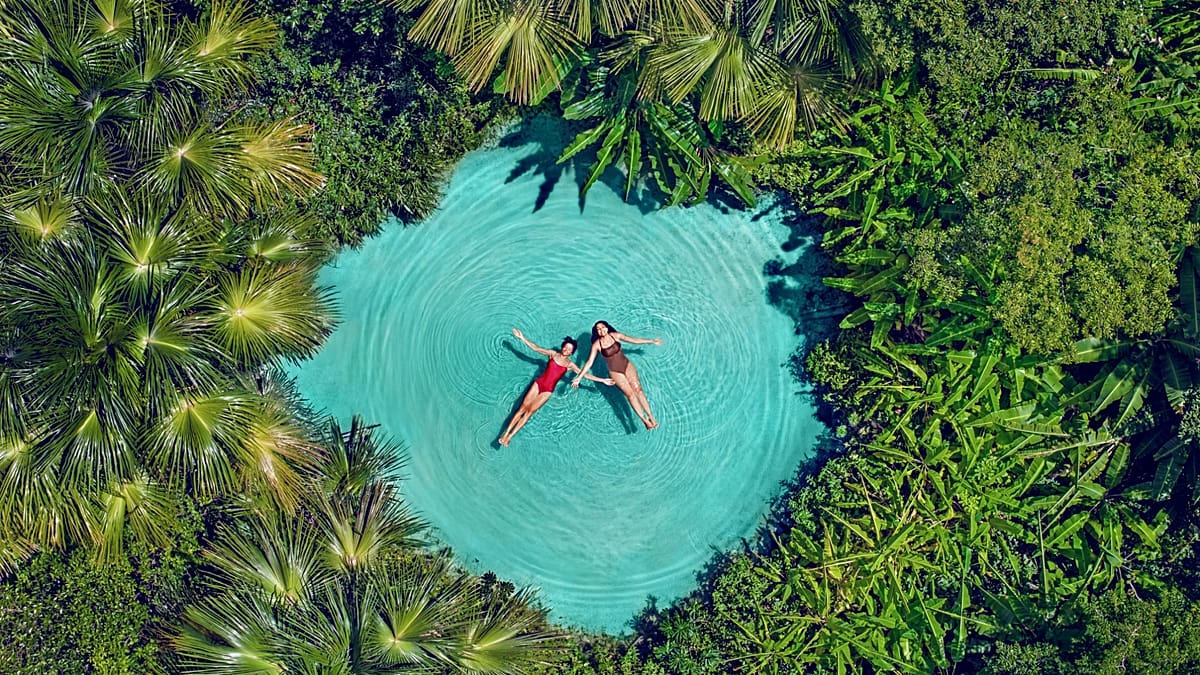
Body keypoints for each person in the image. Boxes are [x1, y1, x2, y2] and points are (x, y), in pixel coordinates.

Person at [498, 328, 613, 446]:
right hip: (538, 384)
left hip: (547, 391)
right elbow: (536, 348)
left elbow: (585, 374)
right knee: (522, 408)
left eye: (570, 350)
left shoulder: (570, 365)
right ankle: (505, 434)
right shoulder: (553, 354)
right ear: (562, 346)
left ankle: (509, 438)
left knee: (528, 413)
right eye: (566, 347)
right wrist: (522, 338)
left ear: (571, 353)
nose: (566, 350)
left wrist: (602, 380)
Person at [574, 320, 663, 430]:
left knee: (638, 390)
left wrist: (651, 341)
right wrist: (579, 377)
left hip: (627, 365)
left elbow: (633, 340)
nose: (601, 330)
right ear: (597, 332)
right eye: (598, 329)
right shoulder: (597, 345)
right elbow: (589, 362)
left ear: (607, 327)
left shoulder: (615, 336)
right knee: (630, 394)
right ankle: (644, 420)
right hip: (615, 371)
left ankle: (651, 417)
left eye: (603, 327)